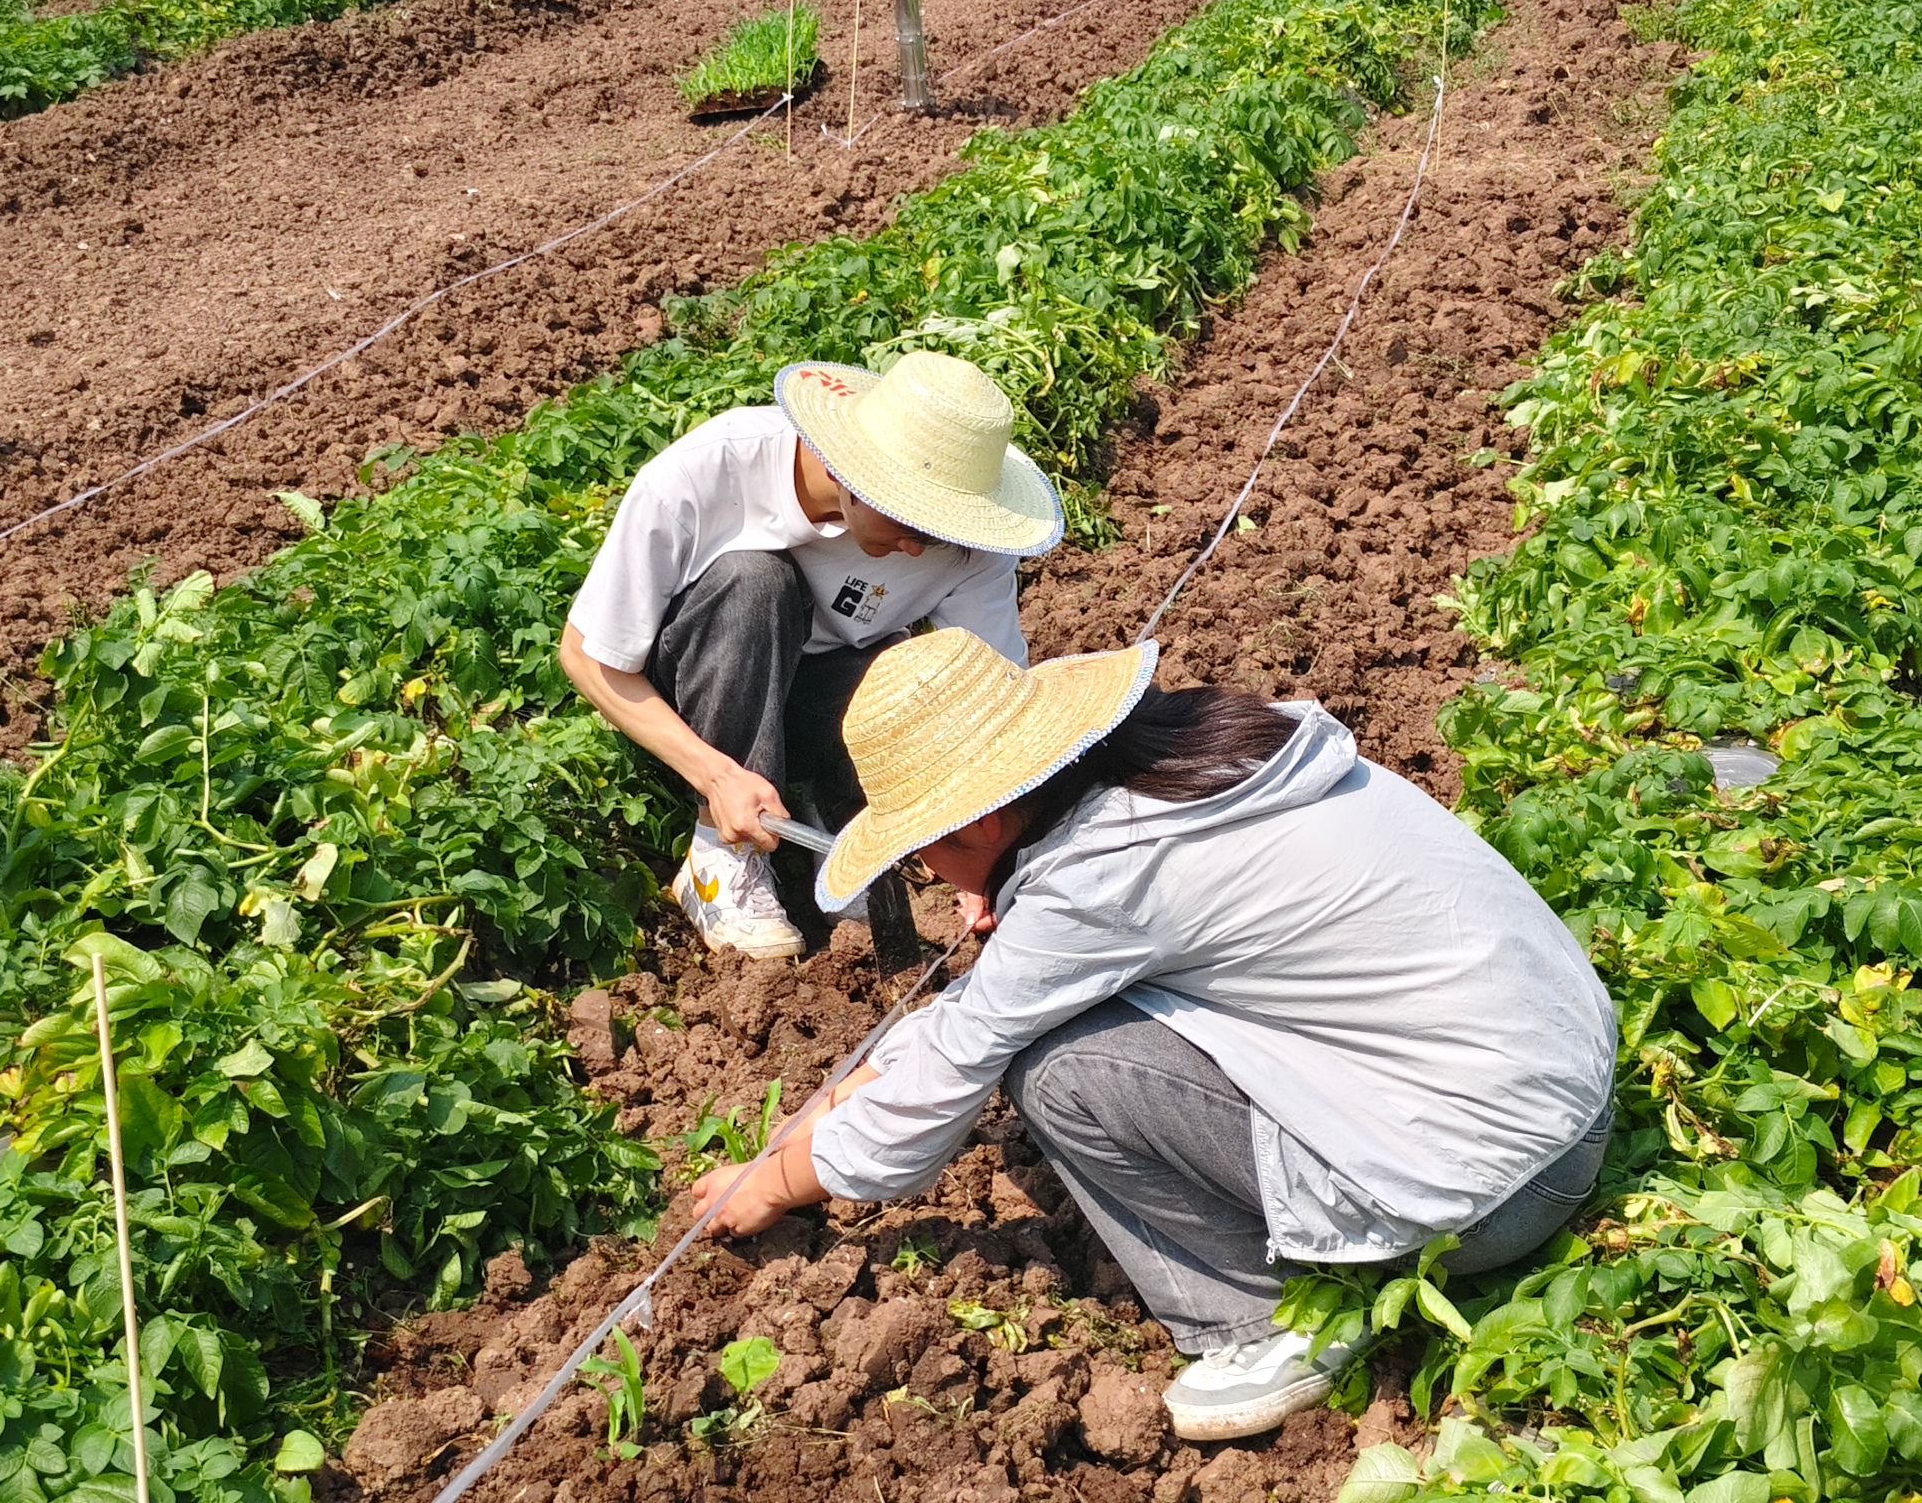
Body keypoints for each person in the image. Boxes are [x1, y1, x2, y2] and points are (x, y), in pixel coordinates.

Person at [691, 629, 1616, 1441]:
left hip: (1489, 1195)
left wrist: (772, 1183)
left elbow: (952, 1074)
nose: (927, 871)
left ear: (983, 818)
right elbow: (981, 1008)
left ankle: (1264, 1327)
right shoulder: (1199, 752)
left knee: (1059, 1071)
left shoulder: (1100, 875)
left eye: (924, 843)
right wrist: (818, 1113)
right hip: (1563, 1093)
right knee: (1081, 1012)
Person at [558, 351, 1063, 959]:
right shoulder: (710, 472)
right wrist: (716, 775)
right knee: (755, 582)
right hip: (701, 696)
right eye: (913, 524)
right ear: (853, 471)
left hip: (820, 695)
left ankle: (840, 811)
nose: (918, 548)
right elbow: (588, 656)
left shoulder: (966, 545)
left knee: (917, 672)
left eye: (939, 532)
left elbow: (991, 702)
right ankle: (722, 855)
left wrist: (996, 853)